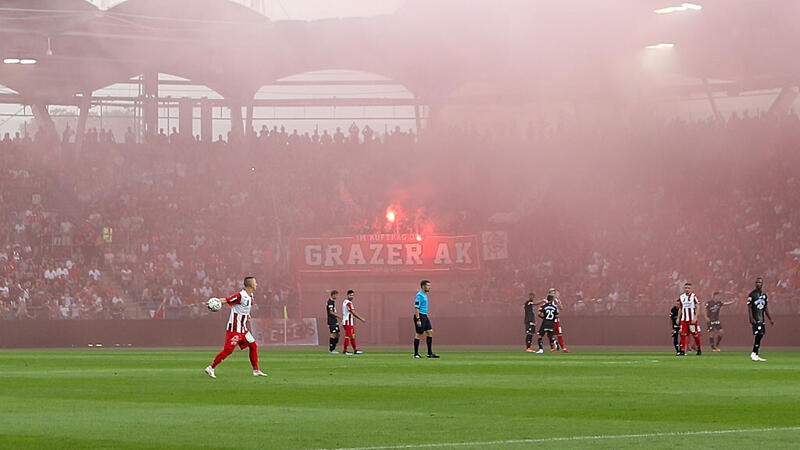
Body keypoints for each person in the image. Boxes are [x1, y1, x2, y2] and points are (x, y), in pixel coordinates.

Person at [204, 276, 267, 378]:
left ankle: (256, 370)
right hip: (235, 328)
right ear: (250, 285)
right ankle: (211, 368)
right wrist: (215, 302)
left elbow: (245, 308)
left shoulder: (251, 296)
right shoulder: (240, 296)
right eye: (255, 282)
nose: (257, 284)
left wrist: (248, 315)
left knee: (253, 345)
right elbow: (226, 300)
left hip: (243, 329)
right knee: (228, 350)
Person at [747, 277, 774, 362]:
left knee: (761, 334)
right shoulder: (752, 294)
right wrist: (751, 318)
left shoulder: (764, 295)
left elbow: (765, 308)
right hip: (755, 318)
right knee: (759, 334)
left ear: (762, 284)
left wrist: (770, 319)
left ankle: (755, 353)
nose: (758, 284)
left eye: (760, 282)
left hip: (761, 318)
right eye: (757, 282)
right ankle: (754, 353)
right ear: (755, 284)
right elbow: (749, 307)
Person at [413, 279, 439, 358]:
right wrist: (418, 319)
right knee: (419, 334)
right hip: (420, 316)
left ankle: (429, 353)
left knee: (430, 332)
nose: (429, 287)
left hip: (425, 316)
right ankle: (416, 354)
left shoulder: (425, 295)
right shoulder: (419, 296)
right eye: (428, 286)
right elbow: (416, 307)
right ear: (423, 286)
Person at [678, 282, 702, 356]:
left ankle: (699, 349)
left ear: (691, 289)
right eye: (686, 288)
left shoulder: (694, 296)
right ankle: (682, 350)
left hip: (691, 320)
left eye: (688, 288)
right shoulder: (681, 297)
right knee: (682, 334)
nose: (687, 289)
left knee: (695, 334)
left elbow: (698, 306)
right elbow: (680, 308)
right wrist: (678, 318)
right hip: (684, 320)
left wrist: (695, 317)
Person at [341, 289, 367, 355]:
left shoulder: (345, 301)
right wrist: (361, 319)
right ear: (347, 295)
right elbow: (353, 312)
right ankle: (345, 351)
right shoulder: (348, 303)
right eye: (350, 295)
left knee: (352, 336)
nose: (352, 296)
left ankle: (355, 350)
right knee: (348, 336)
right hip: (348, 322)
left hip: (349, 321)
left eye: (352, 295)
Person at [547, 288, 570, 353]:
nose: (553, 294)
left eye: (554, 293)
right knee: (551, 335)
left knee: (559, 335)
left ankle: (563, 348)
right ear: (549, 293)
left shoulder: (557, 300)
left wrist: (556, 302)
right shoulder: (546, 301)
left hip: (557, 321)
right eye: (552, 293)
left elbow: (561, 308)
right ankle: (552, 349)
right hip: (550, 321)